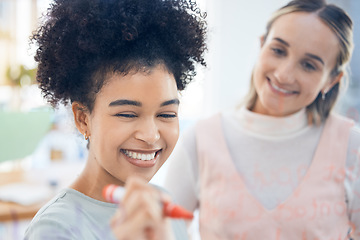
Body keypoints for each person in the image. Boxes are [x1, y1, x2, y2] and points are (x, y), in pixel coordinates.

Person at [164, 0, 360, 239]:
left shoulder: (351, 146)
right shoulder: (201, 139)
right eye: (278, 50)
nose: (284, 74)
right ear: (261, 45)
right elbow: (165, 232)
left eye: (308, 65)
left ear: (331, 81)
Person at [24, 0, 207, 239]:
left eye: (166, 114)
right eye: (128, 114)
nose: (151, 135)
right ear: (83, 119)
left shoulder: (164, 208)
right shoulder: (55, 229)